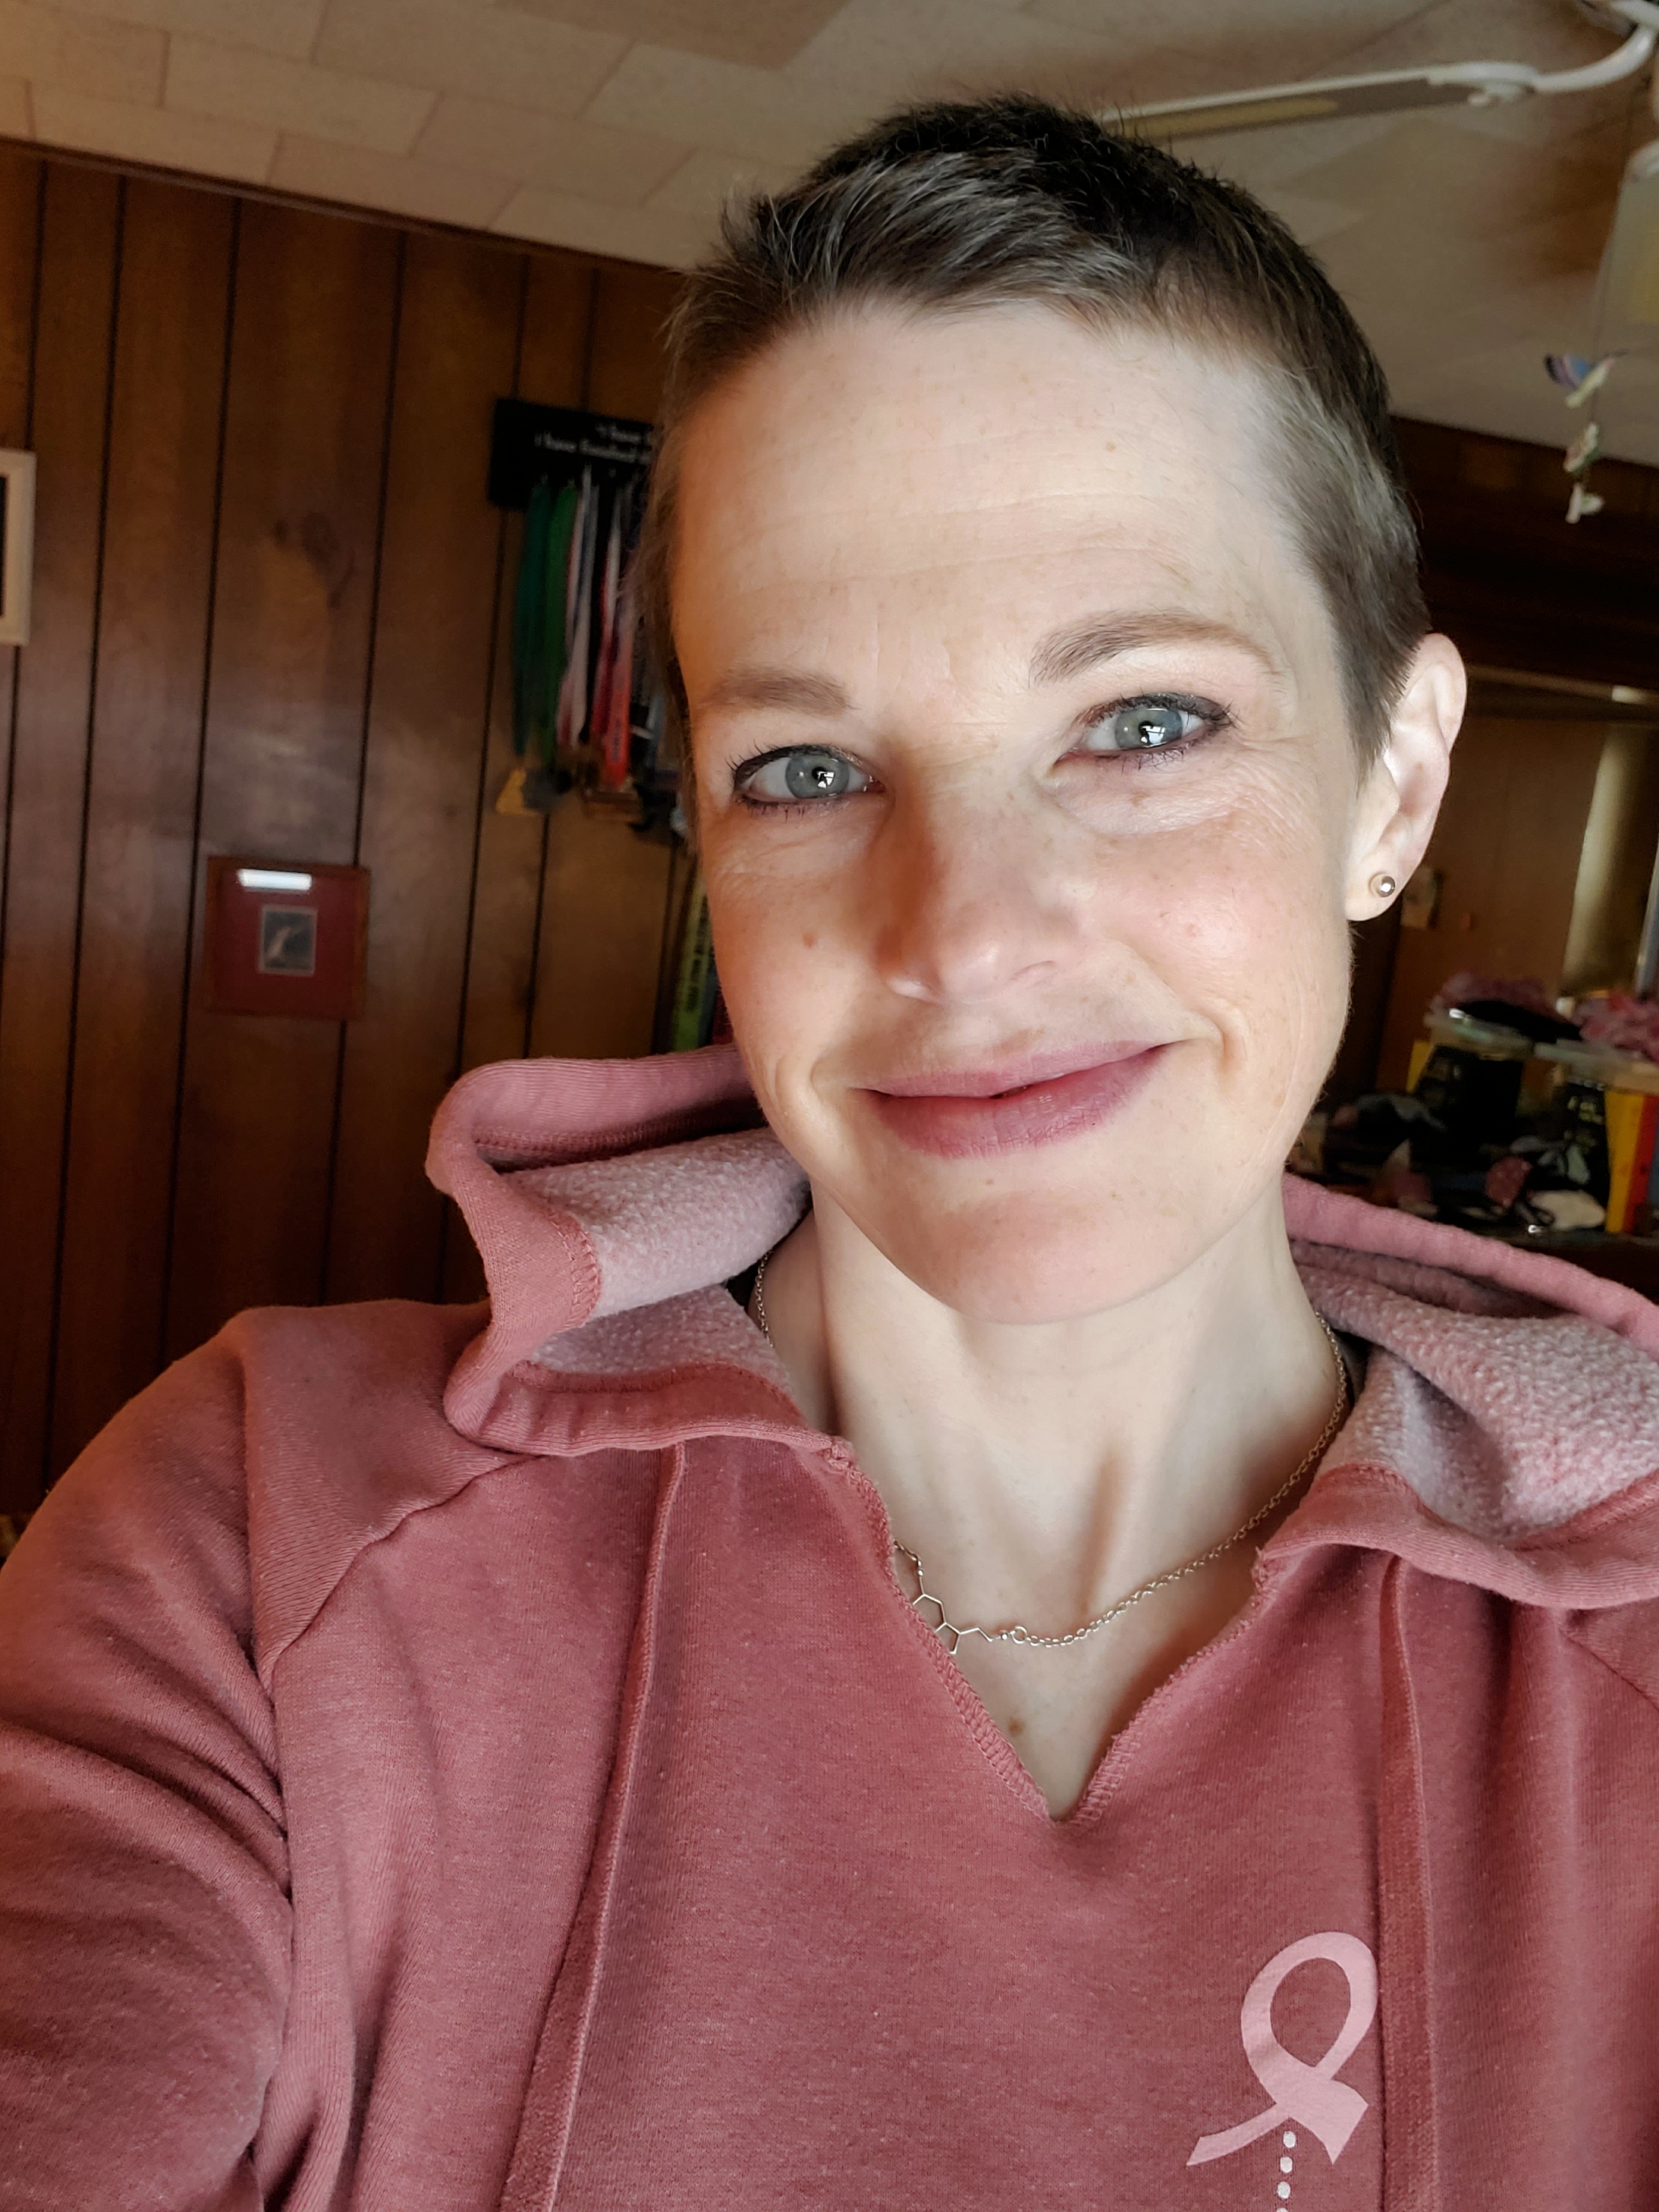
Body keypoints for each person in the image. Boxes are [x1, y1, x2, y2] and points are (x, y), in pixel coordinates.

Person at [3, 95, 1658, 2212]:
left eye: (1144, 722)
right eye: (804, 766)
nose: (960, 937)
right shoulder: (257, 1540)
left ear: (1396, 785)